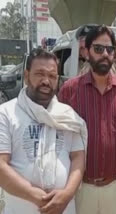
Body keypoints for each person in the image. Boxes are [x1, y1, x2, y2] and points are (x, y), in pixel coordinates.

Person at [58, 25, 116, 214]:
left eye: (109, 49)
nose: (105, 54)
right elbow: (59, 139)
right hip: (81, 188)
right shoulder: (69, 91)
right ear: (87, 52)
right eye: (98, 49)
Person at [0, 48, 87, 214]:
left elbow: (78, 158)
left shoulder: (68, 116)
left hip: (64, 208)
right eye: (40, 74)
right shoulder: (6, 114)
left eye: (52, 76)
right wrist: (36, 197)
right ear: (26, 76)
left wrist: (67, 194)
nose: (46, 81)